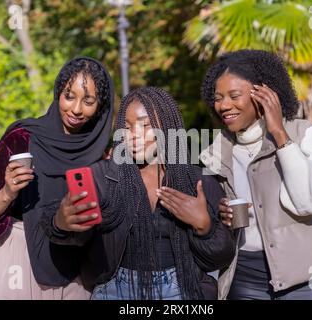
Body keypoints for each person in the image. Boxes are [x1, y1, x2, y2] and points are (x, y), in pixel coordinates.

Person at [40, 87, 236, 300]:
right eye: (127, 127)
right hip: (115, 289)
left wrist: (204, 226)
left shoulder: (197, 181)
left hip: (181, 288)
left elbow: (221, 259)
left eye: (146, 125)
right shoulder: (104, 177)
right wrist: (61, 222)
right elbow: (69, 232)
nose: (134, 136)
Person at [199, 50, 312, 300]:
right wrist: (219, 213)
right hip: (243, 276)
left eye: (234, 96)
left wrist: (279, 134)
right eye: (218, 98)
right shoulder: (216, 152)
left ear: (264, 96)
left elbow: (311, 201)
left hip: (304, 278)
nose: (223, 106)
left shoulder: (304, 134)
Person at [0, 57, 114, 299]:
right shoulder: (22, 138)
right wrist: (7, 192)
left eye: (88, 101)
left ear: (100, 106)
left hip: (77, 272)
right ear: (58, 93)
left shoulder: (102, 152)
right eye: (69, 96)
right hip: (17, 260)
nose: (76, 109)